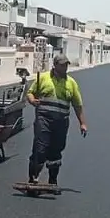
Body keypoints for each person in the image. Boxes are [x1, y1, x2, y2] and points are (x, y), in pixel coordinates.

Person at [25, 53, 88, 188]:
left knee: (56, 151)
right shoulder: (43, 78)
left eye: (66, 64)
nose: (65, 67)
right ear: (55, 65)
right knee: (40, 149)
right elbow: (30, 92)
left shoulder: (71, 83)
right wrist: (31, 100)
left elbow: (77, 105)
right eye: (62, 65)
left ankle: (53, 180)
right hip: (43, 119)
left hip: (61, 122)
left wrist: (82, 123)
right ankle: (33, 177)